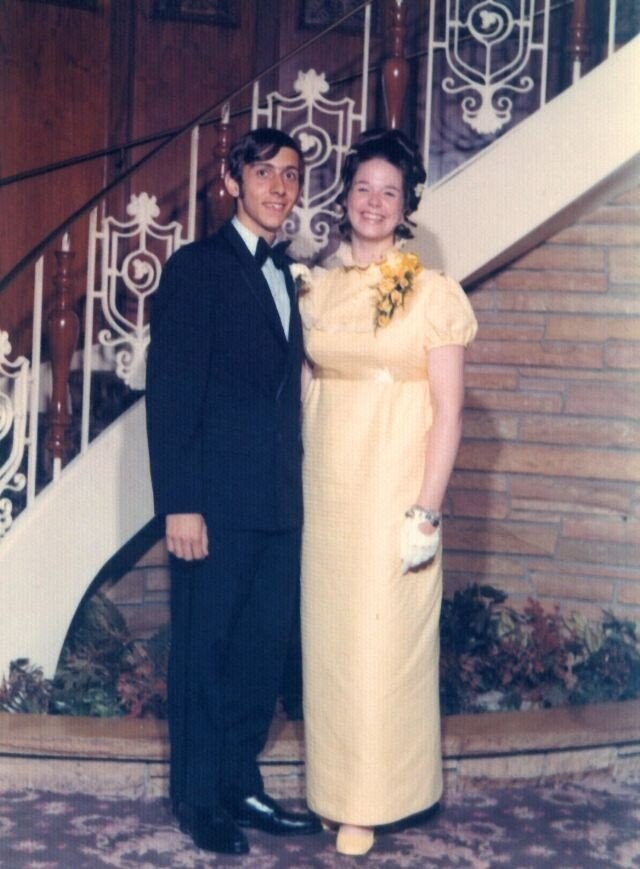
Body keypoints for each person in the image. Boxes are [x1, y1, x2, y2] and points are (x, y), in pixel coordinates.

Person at [298, 129, 478, 856]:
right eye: (363, 188)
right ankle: (330, 788)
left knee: (381, 643)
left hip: (394, 489)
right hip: (328, 492)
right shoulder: (316, 286)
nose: (374, 202)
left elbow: (451, 407)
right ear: (345, 197)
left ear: (407, 207)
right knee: (331, 644)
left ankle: (374, 798)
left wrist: (426, 508)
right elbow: (307, 385)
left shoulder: (433, 294)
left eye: (389, 192)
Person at [145, 127, 321, 856]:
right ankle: (197, 796)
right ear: (231, 180)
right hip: (213, 504)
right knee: (206, 649)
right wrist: (180, 500)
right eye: (263, 172)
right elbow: (173, 391)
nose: (279, 187)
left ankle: (242, 780)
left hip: (279, 504)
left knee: (258, 649)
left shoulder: (290, 275)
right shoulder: (198, 267)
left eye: (291, 174)